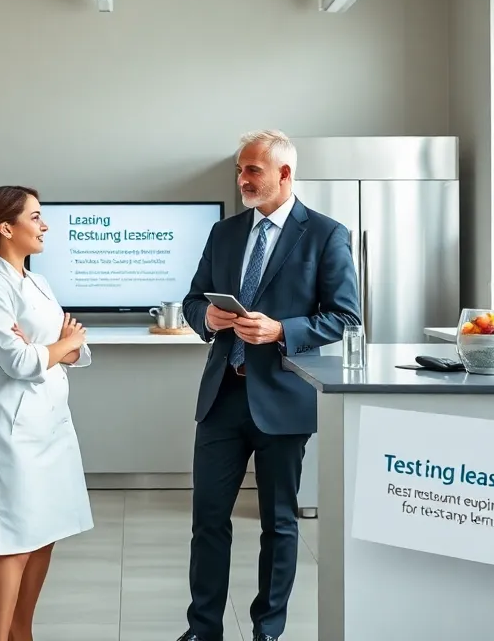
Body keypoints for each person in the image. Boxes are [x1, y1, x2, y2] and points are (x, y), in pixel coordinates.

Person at [177, 131, 361, 641]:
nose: (243, 179)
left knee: (279, 524)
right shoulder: (225, 233)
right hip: (221, 398)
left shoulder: (326, 234)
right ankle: (203, 630)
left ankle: (268, 631)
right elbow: (193, 300)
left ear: (284, 174)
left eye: (253, 170)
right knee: (208, 520)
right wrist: (207, 318)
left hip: (283, 399)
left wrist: (283, 331)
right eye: (241, 169)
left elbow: (346, 318)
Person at [0, 185, 95, 641]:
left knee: (45, 534)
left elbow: (74, 346)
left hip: (50, 424)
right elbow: (19, 362)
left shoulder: (37, 282)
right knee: (14, 543)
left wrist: (55, 348)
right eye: (35, 217)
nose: (44, 225)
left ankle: (22, 632)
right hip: (10, 431)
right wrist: (55, 347)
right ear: (6, 227)